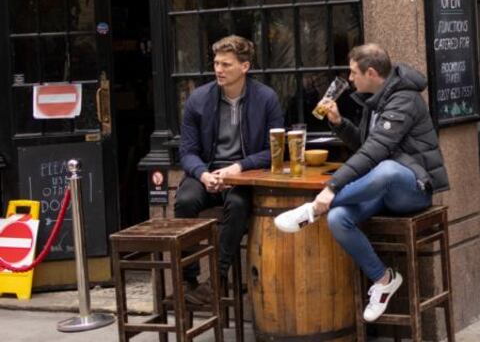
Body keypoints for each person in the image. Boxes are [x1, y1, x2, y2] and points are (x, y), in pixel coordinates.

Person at [274, 44, 448, 323]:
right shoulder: (376, 99)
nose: (350, 78)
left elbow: (377, 152)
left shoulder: (404, 100)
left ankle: (311, 210)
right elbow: (366, 147)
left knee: (388, 170)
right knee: (338, 217)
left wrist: (330, 189)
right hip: (382, 189)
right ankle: (383, 280)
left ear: (370, 72)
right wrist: (339, 123)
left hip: (414, 187)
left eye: (353, 72)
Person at [176, 35, 285, 306]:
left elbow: (275, 151)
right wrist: (203, 174)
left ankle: (216, 279)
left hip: (243, 178)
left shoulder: (266, 98)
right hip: (208, 172)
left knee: (237, 205)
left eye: (226, 64)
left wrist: (238, 168)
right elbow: (187, 151)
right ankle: (189, 280)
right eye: (216, 63)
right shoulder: (198, 100)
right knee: (184, 201)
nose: (219, 70)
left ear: (244, 67)